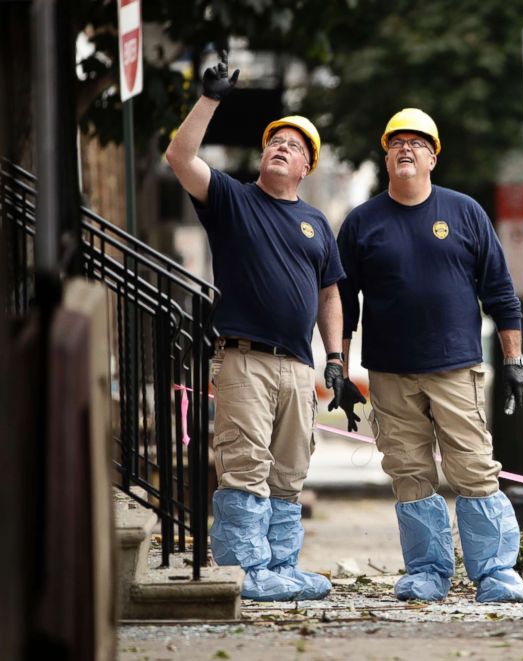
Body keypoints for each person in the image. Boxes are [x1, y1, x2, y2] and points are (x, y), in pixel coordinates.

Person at [165, 50, 346, 601]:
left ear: (305, 167)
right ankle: (245, 570)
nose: (279, 147)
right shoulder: (231, 200)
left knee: (289, 474)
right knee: (245, 467)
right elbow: (179, 155)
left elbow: (330, 293)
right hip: (244, 360)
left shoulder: (316, 223)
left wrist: (335, 359)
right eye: (274, 141)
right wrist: (209, 98)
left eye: (292, 145)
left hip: (298, 367)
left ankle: (282, 568)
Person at [335, 108, 523, 603]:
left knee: (473, 467)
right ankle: (426, 571)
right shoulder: (361, 223)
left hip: (454, 367)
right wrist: (338, 364)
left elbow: (502, 294)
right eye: (396, 142)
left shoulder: (465, 212)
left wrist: (514, 361)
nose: (405, 148)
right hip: (391, 373)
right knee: (409, 471)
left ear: (433, 157)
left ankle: (495, 572)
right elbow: (341, 303)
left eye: (417, 143)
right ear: (385, 157)